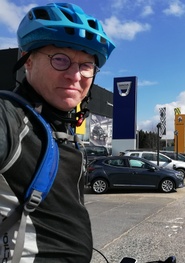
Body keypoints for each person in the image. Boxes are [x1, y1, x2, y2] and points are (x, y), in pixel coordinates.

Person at [0, 3, 115, 262]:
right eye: (60, 59)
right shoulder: (11, 118)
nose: (75, 75)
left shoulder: (63, 133)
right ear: (27, 59)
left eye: (86, 64)